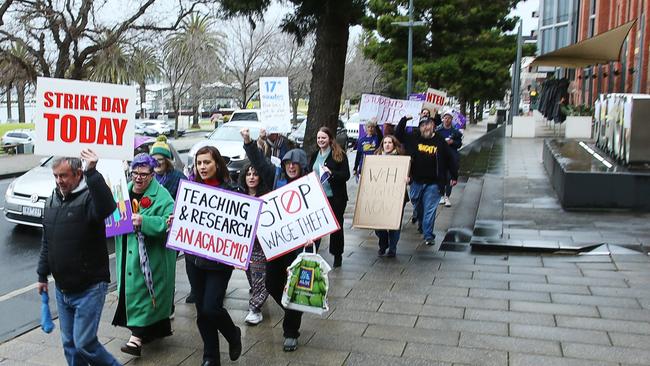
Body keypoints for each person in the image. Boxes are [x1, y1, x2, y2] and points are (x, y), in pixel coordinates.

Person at [37, 149, 120, 366]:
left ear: (78, 174)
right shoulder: (51, 201)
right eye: (55, 176)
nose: (59, 181)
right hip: (63, 290)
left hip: (90, 288)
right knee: (70, 346)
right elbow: (47, 242)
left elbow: (107, 208)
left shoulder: (89, 198)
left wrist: (92, 171)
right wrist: (41, 275)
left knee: (84, 343)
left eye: (63, 176)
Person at [241, 128, 308, 352]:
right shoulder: (275, 177)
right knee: (271, 284)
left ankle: (291, 331)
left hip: (297, 249)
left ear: (301, 167)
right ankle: (292, 308)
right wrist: (249, 142)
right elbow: (259, 163)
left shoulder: (309, 186)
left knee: (295, 287)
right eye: (288, 163)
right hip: (275, 246)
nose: (291, 166)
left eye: (295, 164)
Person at [182, 146, 243, 366]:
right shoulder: (191, 189)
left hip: (219, 262)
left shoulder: (233, 190)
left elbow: (241, 228)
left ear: (217, 163)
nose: (202, 167)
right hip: (194, 260)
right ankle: (210, 356)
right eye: (199, 163)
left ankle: (233, 334)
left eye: (207, 162)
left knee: (211, 307)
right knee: (201, 311)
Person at [112, 153, 177, 357]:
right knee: (135, 295)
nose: (138, 178)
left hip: (153, 258)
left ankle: (136, 340)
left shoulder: (163, 195)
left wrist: (145, 222)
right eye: (134, 173)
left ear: (152, 175)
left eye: (143, 174)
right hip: (127, 255)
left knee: (146, 294)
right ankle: (149, 332)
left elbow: (171, 221)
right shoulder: (123, 192)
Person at [395, 115, 458, 246]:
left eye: (428, 124)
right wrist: (403, 120)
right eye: (423, 125)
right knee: (417, 203)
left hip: (434, 183)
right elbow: (398, 136)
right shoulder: (414, 138)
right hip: (416, 181)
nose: (426, 128)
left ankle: (428, 235)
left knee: (430, 209)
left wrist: (453, 176)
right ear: (420, 128)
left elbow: (450, 158)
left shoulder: (440, 140)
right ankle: (422, 222)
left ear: (433, 126)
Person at [309, 127, 351, 267]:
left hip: (335, 198)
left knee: (336, 227)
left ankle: (337, 254)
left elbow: (346, 175)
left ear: (330, 139)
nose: (321, 140)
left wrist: (331, 173)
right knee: (316, 226)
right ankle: (312, 253)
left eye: (323, 138)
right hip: (318, 198)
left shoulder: (339, 154)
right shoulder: (315, 154)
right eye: (319, 138)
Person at [239, 164, 270, 325]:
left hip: (261, 246)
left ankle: (255, 308)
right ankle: (259, 296)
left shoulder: (267, 197)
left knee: (259, 277)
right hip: (245, 246)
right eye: (248, 174)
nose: (251, 177)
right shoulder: (239, 196)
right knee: (251, 276)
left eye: (255, 174)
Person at [373, 135, 409, 257]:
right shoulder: (375, 158)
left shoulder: (401, 159)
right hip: (379, 196)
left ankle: (392, 248)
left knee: (395, 224)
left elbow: (410, 174)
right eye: (385, 142)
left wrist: (408, 178)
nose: (387, 145)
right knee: (378, 224)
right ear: (382, 145)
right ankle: (383, 243)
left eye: (390, 142)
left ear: (394, 144)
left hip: (397, 196)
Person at [436, 110, 463, 207]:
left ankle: (447, 196)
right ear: (443, 119)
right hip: (441, 156)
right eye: (445, 118)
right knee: (441, 176)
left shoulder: (456, 132)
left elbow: (459, 144)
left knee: (449, 177)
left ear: (452, 120)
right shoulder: (438, 131)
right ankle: (441, 195)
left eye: (449, 118)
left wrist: (452, 142)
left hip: (452, 157)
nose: (447, 120)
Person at [151, 135, 187, 200]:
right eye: (154, 159)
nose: (157, 163)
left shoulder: (179, 177)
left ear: (167, 161)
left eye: (160, 159)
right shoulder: (147, 176)